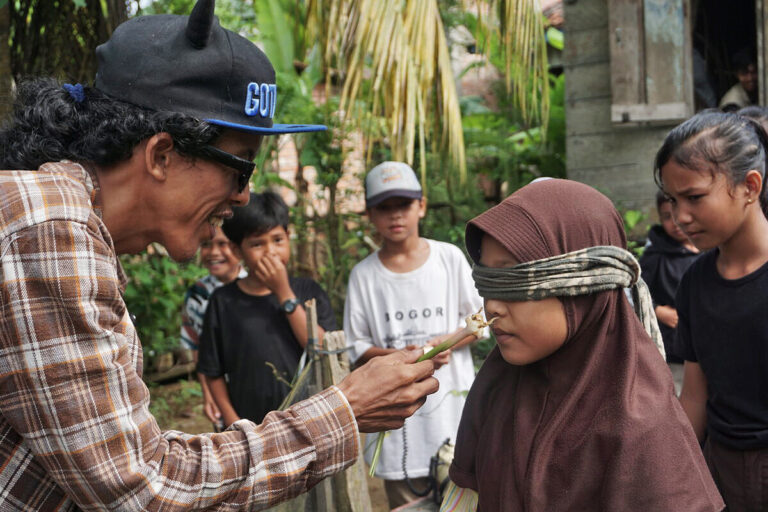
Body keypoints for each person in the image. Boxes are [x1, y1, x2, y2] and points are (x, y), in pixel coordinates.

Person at [0, 1, 438, 509]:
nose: (243, 196)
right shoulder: (50, 232)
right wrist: (347, 409)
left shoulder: (58, 224)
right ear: (161, 154)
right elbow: (143, 488)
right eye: (242, 166)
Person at [444, 179, 724, 511]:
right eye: (488, 282)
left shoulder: (640, 426)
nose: (492, 306)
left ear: (585, 288)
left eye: (515, 282)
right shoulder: (495, 390)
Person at [343, 161, 483, 509]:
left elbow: (480, 320)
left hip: (454, 418)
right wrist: (397, 357)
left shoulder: (448, 259)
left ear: (421, 205)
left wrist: (446, 342)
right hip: (398, 426)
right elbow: (355, 345)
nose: (396, 216)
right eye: (384, 208)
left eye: (403, 205)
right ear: (370, 215)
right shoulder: (364, 276)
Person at [655, 111, 768, 511]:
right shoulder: (696, 282)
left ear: (749, 186)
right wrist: (669, 472)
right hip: (719, 469)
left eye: (695, 197)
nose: (681, 216)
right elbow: (696, 396)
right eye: (672, 200)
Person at [198, 191, 336, 426]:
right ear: (237, 251)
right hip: (250, 427)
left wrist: (284, 294)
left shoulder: (308, 291)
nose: (270, 251)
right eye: (257, 244)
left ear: (289, 237)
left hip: (308, 424)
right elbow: (213, 372)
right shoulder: (223, 301)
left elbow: (323, 349)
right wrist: (237, 426)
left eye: (277, 240)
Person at [181, 225, 246, 430]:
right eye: (207, 245)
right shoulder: (198, 294)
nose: (214, 252)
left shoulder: (258, 284)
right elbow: (198, 347)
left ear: (238, 247)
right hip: (221, 390)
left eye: (222, 244)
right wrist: (208, 395)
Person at [639, 190, 700, 394]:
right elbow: (636, 292)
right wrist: (657, 311)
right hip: (674, 347)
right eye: (667, 216)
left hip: (708, 344)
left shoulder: (712, 250)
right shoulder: (655, 256)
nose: (676, 222)